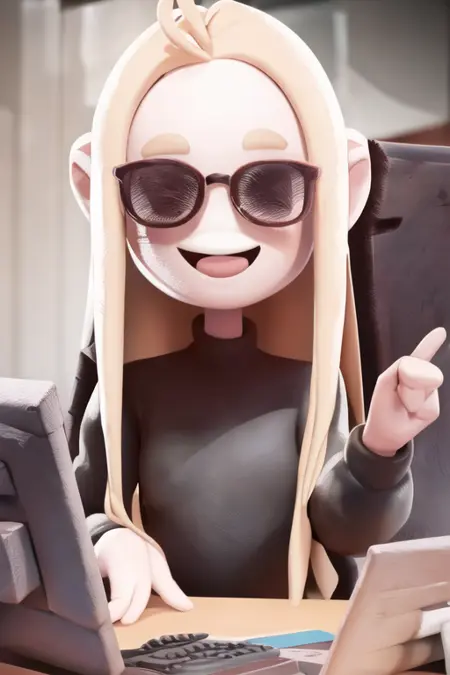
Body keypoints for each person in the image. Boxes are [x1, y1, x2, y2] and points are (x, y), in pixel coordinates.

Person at [68, 0, 445, 626]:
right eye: (165, 188)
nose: (218, 225)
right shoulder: (133, 387)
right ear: (98, 191)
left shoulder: (309, 385)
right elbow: (72, 511)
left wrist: (380, 446)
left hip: (288, 635)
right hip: (166, 632)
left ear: (342, 190)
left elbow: (341, 528)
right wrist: (108, 537)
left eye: (270, 185)